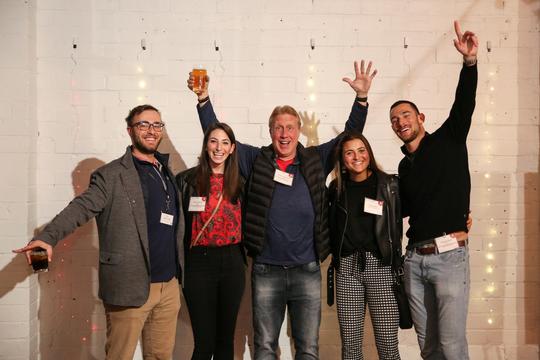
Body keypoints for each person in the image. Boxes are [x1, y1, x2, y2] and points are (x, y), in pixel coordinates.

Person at [187, 60, 377, 359]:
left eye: (290, 127)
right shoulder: (256, 159)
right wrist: (203, 100)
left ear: (299, 130)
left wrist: (361, 100)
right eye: (278, 128)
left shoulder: (315, 159)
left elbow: (348, 137)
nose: (284, 134)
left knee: (308, 349)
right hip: (266, 270)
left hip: (307, 270)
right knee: (264, 347)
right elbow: (220, 138)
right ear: (271, 131)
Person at [13, 105, 185, 360]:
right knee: (119, 356)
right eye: (143, 125)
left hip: (168, 286)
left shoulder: (165, 170)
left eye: (157, 125)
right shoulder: (111, 175)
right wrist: (46, 238)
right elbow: (80, 208)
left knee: (161, 356)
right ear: (130, 131)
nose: (151, 131)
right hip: (130, 285)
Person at [389, 21, 478, 360]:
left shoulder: (449, 140)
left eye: (406, 115)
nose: (401, 122)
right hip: (414, 260)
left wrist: (469, 63)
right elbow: (403, 210)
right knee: (429, 348)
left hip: (450, 257)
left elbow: (464, 103)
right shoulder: (403, 167)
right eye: (395, 120)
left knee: (452, 346)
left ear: (420, 117)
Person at [327, 131, 402, 360]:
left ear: (368, 152)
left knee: (388, 344)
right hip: (348, 270)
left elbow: (420, 207)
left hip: (381, 267)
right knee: (350, 346)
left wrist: (459, 218)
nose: (356, 156)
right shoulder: (336, 189)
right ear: (342, 159)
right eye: (349, 152)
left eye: (361, 150)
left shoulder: (389, 184)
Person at [176, 122, 245, 360]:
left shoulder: (241, 182)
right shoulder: (186, 181)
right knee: (204, 343)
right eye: (214, 141)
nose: (219, 147)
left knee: (226, 341)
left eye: (225, 142)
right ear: (206, 146)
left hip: (233, 262)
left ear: (232, 148)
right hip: (199, 263)